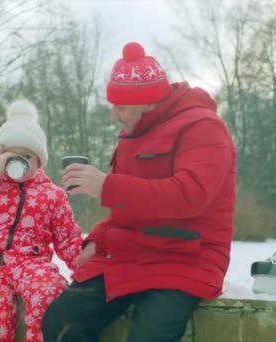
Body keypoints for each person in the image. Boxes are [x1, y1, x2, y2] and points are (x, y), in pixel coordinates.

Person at [42, 42, 237, 342]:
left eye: (120, 106)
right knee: (60, 322)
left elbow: (191, 195)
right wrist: (98, 240)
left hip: (185, 259)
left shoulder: (203, 128)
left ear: (147, 101)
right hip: (130, 255)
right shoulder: (133, 136)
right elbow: (128, 210)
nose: (114, 115)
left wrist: (106, 186)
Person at [0, 99, 83, 342]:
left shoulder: (51, 195)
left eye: (26, 157)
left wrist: (90, 269)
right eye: (11, 155)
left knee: (49, 292)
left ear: (39, 161)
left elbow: (69, 239)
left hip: (31, 263)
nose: (18, 163)